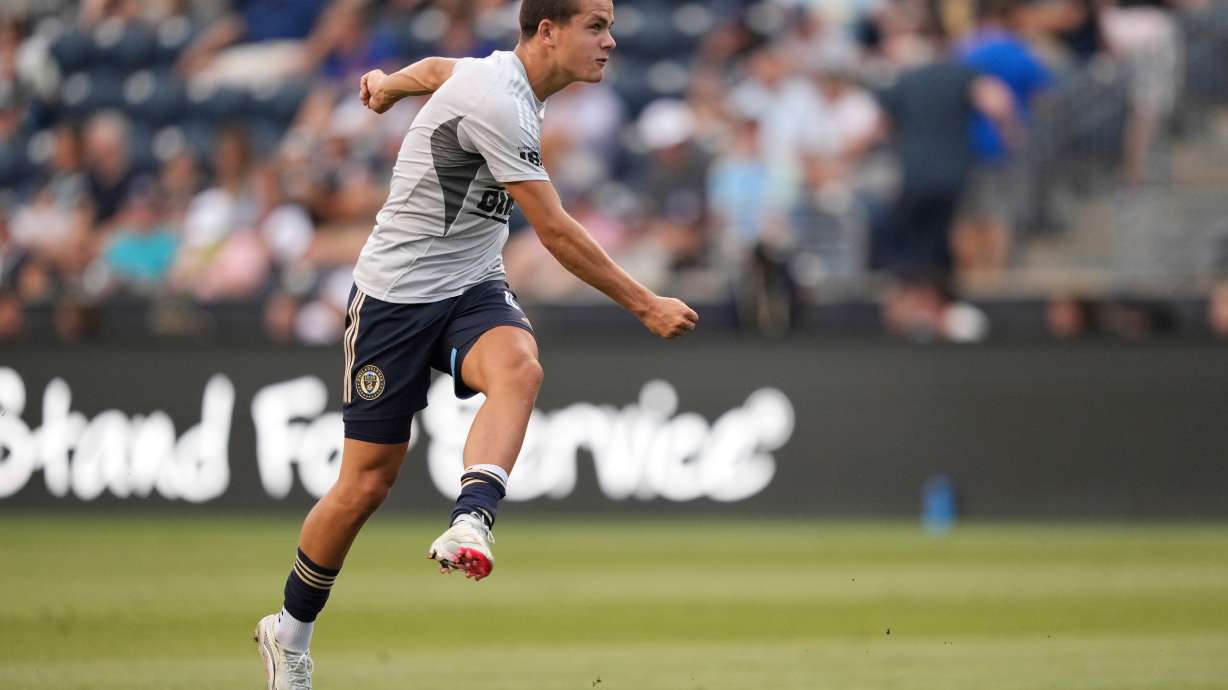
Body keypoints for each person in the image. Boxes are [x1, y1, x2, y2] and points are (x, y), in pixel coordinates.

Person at [253, 2, 699, 688]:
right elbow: (552, 231)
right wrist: (645, 303)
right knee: (365, 484)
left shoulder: (497, 77)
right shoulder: (502, 103)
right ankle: (290, 632)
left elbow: (437, 69)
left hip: (469, 286)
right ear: (547, 31)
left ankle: (471, 522)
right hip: (394, 300)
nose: (611, 40)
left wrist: (386, 84)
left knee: (520, 368)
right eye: (596, 25)